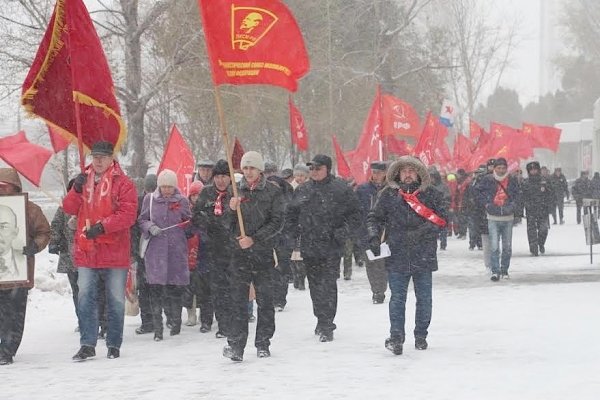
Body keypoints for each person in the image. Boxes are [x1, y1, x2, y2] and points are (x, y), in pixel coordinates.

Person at [63, 141, 138, 361]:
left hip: (114, 250)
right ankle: (87, 343)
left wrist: (103, 227)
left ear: (111, 159)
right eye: (94, 156)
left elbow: (128, 214)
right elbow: (68, 208)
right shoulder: (82, 181)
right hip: (88, 250)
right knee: (85, 297)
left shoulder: (123, 183)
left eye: (102, 157)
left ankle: (114, 343)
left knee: (115, 299)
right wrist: (75, 191)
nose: (97, 161)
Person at [366, 156, 446, 355]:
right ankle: (396, 337)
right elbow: (374, 218)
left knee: (424, 298)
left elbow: (442, 219)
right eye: (404, 171)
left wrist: (421, 233)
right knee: (397, 298)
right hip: (397, 253)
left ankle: (421, 335)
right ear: (398, 174)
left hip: (424, 253)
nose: (408, 174)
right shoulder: (389, 195)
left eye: (412, 170)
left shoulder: (431, 194)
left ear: (419, 173)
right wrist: (373, 236)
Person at [287, 154, 360, 342]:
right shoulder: (303, 190)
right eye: (311, 169)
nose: (314, 172)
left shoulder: (341, 189)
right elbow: (292, 215)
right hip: (310, 245)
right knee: (314, 285)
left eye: (318, 168)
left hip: (331, 245)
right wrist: (292, 234)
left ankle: (328, 323)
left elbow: (355, 215)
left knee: (328, 285)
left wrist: (342, 233)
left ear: (327, 169)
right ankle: (320, 318)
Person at [224, 151, 283, 362]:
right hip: (239, 255)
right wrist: (231, 210)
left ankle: (263, 342)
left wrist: (255, 239)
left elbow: (277, 223)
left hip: (263, 253)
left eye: (252, 168)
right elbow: (225, 225)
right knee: (238, 301)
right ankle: (236, 344)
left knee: (265, 299)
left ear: (260, 170)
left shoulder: (272, 192)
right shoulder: (234, 190)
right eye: (245, 168)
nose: (248, 172)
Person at [0, 168, 50, 365]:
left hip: (18, 273)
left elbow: (44, 232)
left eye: (3, 187)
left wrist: (34, 246)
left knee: (14, 314)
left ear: (14, 187)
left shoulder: (30, 209)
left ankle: (7, 350)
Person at [138, 169, 192, 341]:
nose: (167, 190)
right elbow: (142, 220)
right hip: (156, 251)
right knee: (156, 289)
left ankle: (175, 323)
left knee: (175, 289)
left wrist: (188, 224)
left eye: (170, 187)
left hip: (176, 250)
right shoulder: (150, 200)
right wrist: (150, 227)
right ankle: (157, 328)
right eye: (163, 187)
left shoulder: (182, 200)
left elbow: (189, 221)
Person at [192, 159, 234, 339]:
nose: (221, 180)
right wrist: (206, 223)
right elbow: (195, 216)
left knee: (234, 287)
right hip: (212, 248)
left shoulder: (235, 194)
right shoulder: (207, 193)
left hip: (233, 248)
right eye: (218, 176)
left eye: (224, 176)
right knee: (218, 288)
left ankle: (235, 321)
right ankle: (223, 325)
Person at [475, 157, 520, 281]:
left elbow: (517, 195)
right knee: (494, 246)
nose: (501, 170)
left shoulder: (512, 180)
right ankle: (495, 271)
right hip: (493, 217)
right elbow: (477, 193)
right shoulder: (487, 180)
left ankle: (504, 270)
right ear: (494, 168)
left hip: (508, 217)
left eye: (503, 168)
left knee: (507, 247)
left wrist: (513, 206)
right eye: (499, 168)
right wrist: (487, 204)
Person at [183, 180, 214, 332]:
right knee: (189, 289)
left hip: (204, 255)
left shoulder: (209, 209)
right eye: (193, 195)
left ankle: (206, 317)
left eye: (198, 195)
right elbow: (185, 231)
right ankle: (191, 313)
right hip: (188, 254)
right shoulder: (186, 211)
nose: (196, 198)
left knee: (204, 288)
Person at [356, 161, 389, 304]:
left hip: (386, 231)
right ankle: (377, 291)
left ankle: (383, 286)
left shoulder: (391, 189)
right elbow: (356, 209)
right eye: (374, 172)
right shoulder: (363, 189)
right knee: (371, 263)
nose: (376, 175)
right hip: (366, 231)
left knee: (384, 263)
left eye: (379, 172)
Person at [131, 174, 157, 335]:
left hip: (150, 251)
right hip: (147, 250)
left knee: (150, 288)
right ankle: (151, 319)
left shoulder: (141, 202)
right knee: (148, 287)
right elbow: (134, 227)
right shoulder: (142, 202)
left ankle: (152, 320)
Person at [521, 162, 554, 256]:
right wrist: (523, 207)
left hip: (543, 209)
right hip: (531, 210)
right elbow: (522, 196)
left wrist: (550, 206)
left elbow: (551, 194)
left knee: (543, 229)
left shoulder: (544, 181)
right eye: (531, 170)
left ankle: (541, 243)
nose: (533, 171)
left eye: (535, 169)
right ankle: (533, 247)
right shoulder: (526, 182)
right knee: (531, 229)